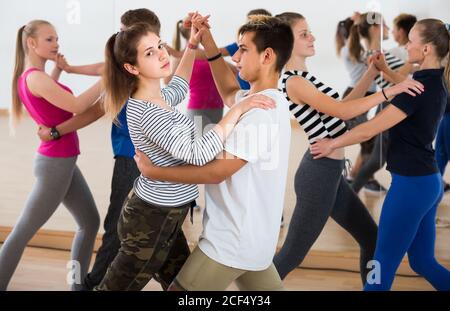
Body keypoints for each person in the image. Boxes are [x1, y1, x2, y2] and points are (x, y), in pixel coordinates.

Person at [95, 14, 275, 291]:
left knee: (184, 287)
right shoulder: (148, 111)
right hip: (151, 219)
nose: (162, 54)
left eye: (161, 45)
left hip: (168, 212)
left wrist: (192, 45)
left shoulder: (156, 97)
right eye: (150, 53)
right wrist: (237, 110)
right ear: (131, 67)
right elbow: (198, 153)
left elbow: (179, 86)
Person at [273, 12, 423, 284]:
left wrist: (370, 74)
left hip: (331, 174)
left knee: (371, 238)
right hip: (317, 176)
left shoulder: (305, 76)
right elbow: (342, 111)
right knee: (290, 257)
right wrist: (391, 91)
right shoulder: (294, 81)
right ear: (286, 42)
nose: (313, 37)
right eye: (304, 34)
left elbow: (345, 106)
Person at [311, 19, 450, 291]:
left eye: (411, 41)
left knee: (381, 263)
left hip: (410, 186)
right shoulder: (436, 82)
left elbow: (369, 130)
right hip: (428, 182)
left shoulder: (416, 90)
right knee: (422, 261)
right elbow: (409, 89)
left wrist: (332, 143)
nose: (406, 45)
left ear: (426, 49)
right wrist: (385, 72)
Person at [0, 20, 102, 290]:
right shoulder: (34, 77)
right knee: (22, 233)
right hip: (55, 164)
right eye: (49, 39)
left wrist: (57, 69)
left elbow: (50, 102)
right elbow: (78, 105)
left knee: (89, 222)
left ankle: (77, 286)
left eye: (56, 38)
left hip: (62, 161)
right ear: (31, 43)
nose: (56, 43)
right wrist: (108, 79)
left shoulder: (36, 77)